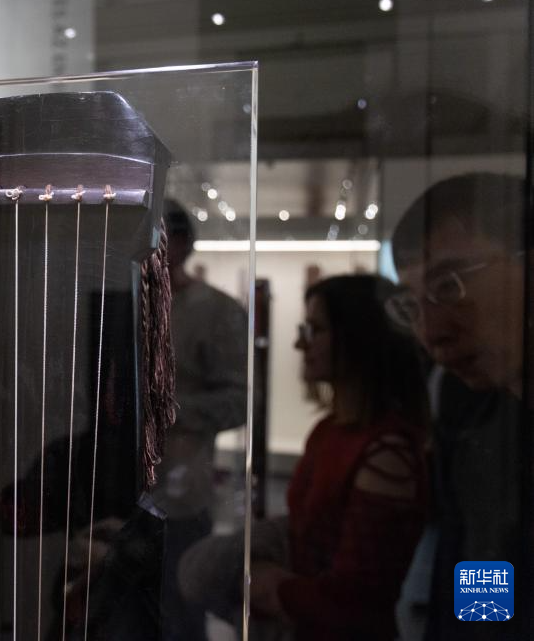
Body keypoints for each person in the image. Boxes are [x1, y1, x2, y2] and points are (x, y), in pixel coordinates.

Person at [247, 275, 430, 641]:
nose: (300, 343)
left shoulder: (387, 450)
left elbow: (355, 599)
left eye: (316, 330)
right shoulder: (329, 430)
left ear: (358, 337)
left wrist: (269, 587)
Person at [389, 172, 528, 641]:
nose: (431, 333)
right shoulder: (478, 430)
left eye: (450, 286)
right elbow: (483, 600)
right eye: (413, 305)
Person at [154, 199, 248, 641]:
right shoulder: (121, 300)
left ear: (181, 244)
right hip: (111, 490)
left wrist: (169, 410)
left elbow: (239, 400)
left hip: (179, 493)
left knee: (179, 614)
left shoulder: (215, 311)